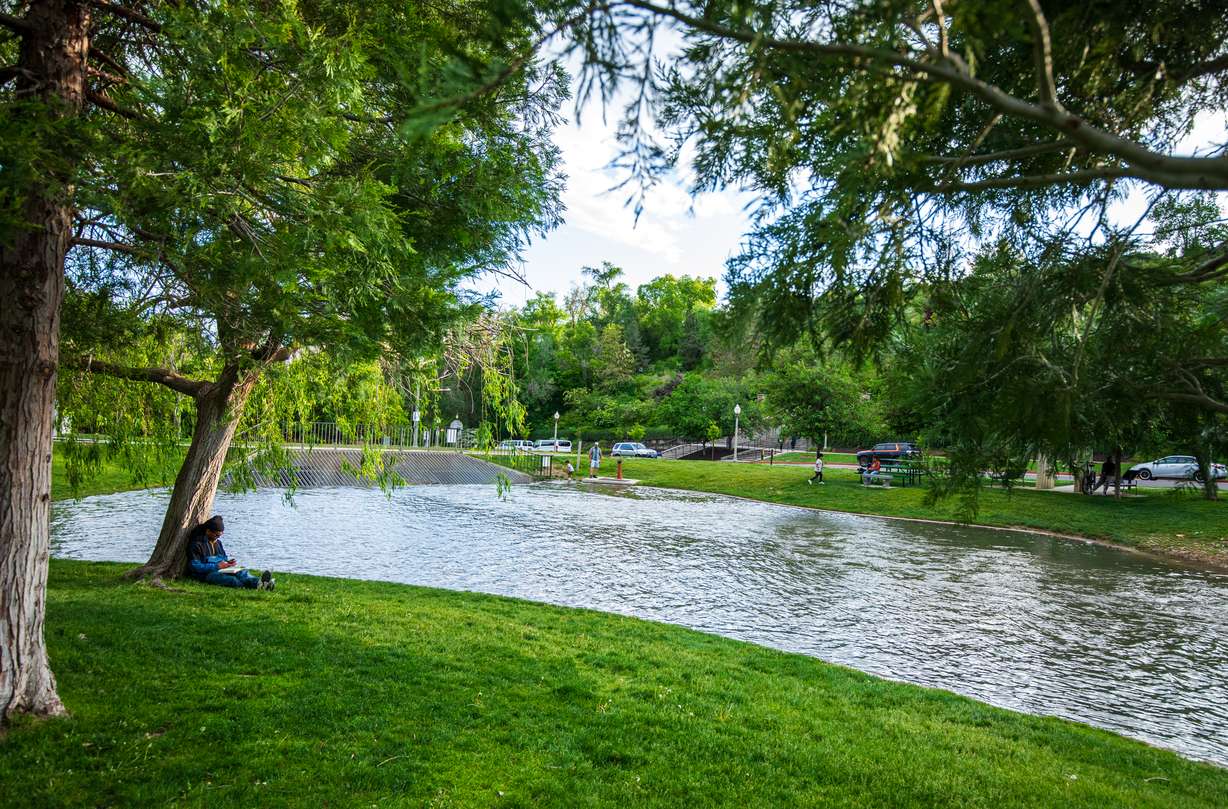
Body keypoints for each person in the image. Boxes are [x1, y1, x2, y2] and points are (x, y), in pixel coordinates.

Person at [187, 515, 275, 590]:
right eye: (216, 535)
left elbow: (223, 557)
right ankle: (258, 585)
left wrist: (228, 562)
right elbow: (195, 566)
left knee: (242, 572)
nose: (218, 538)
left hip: (221, 569)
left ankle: (260, 582)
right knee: (231, 580)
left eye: (220, 535)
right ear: (208, 531)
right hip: (206, 574)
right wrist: (216, 566)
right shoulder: (196, 544)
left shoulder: (218, 543)